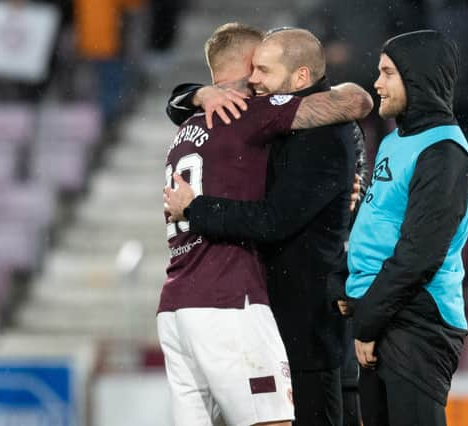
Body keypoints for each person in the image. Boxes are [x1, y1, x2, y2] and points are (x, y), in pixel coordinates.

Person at [158, 23, 372, 426]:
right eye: (252, 70)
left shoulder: (198, 123)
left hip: (301, 322)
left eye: (265, 71)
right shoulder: (250, 116)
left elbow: (277, 219)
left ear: (300, 76)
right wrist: (198, 93)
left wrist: (197, 207)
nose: (256, 80)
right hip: (243, 307)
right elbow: (356, 102)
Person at [346, 30, 468, 426]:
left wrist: (367, 321)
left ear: (417, 78)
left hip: (418, 319)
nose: (377, 83)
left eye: (387, 73)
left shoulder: (444, 153)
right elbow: (383, 225)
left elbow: (419, 255)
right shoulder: (396, 140)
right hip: (385, 314)